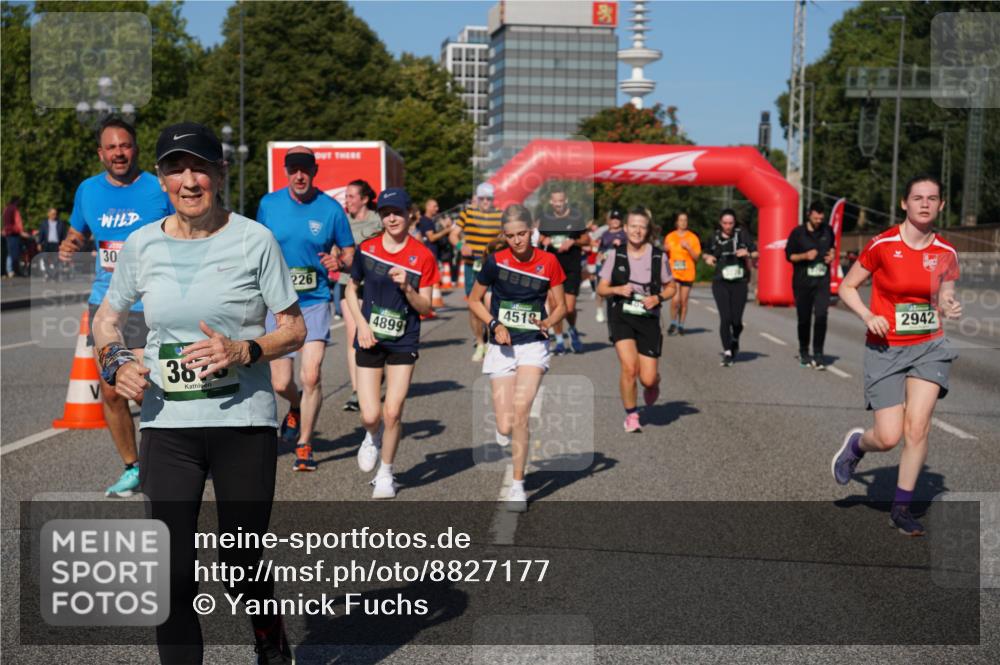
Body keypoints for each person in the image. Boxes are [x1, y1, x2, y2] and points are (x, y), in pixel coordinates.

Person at [93, 122, 305, 664]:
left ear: (219, 173)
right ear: (161, 178)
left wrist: (245, 351)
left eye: (200, 168)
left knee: (239, 566)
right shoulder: (142, 244)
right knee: (170, 573)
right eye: (175, 169)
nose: (189, 180)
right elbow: (106, 319)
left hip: (243, 425)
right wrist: (116, 361)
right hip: (167, 425)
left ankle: (267, 633)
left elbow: (293, 327)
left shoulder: (253, 238)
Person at [832, 175, 961, 537]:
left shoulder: (946, 253)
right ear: (904, 203)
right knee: (888, 437)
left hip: (929, 346)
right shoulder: (882, 244)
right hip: (886, 346)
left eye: (932, 198)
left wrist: (949, 305)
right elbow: (847, 287)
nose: (924, 204)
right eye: (917, 198)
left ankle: (901, 509)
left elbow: (945, 292)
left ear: (941, 205)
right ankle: (857, 445)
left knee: (917, 428)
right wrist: (867, 315)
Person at [59, 115, 173, 497]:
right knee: (110, 390)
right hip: (105, 303)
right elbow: (79, 230)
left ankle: (173, 455)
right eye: (111, 147)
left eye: (125, 145)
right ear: (100, 153)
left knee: (143, 386)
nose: (119, 153)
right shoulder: (88, 191)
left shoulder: (158, 189)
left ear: (135, 149)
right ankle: (133, 466)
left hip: (148, 301)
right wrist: (71, 243)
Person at [257, 146, 355, 470]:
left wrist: (338, 259)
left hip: (314, 302)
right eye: (294, 169)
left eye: (305, 169)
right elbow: (256, 246)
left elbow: (350, 253)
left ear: (314, 172)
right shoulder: (269, 205)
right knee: (280, 383)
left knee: (311, 375)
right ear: (286, 171)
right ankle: (295, 407)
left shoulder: (330, 209)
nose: (299, 175)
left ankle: (304, 444)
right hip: (278, 304)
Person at [468, 204, 566, 511]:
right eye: (510, 236)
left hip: (533, 345)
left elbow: (562, 306)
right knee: (506, 423)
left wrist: (548, 323)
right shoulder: (495, 262)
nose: (517, 241)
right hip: (502, 347)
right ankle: (504, 430)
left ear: (532, 230)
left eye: (522, 234)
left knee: (521, 412)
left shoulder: (549, 262)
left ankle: (518, 485)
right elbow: (473, 300)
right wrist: (494, 325)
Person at [347, 188, 439, 499]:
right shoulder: (368, 248)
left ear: (409, 215)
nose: (391, 218)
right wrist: (360, 325)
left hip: (404, 338)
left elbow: (426, 306)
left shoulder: (423, 255)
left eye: (397, 212)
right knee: (371, 415)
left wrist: (408, 288)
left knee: (393, 411)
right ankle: (371, 436)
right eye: (386, 213)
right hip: (369, 337)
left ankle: (386, 472)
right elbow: (350, 290)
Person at [597, 208, 676, 433]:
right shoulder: (616, 255)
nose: (637, 231)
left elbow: (672, 287)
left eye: (642, 226)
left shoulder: (659, 256)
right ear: (625, 228)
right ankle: (631, 415)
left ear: (647, 229)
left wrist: (658, 297)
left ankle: (655, 383)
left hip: (648, 318)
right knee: (629, 368)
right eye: (633, 226)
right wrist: (617, 289)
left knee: (648, 379)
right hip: (621, 316)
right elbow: (602, 288)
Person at [339, 179, 384, 411]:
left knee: (375, 331)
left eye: (351, 196)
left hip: (376, 284)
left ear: (365, 199)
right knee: (353, 333)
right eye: (345, 196)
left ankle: (377, 372)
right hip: (349, 283)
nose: (347, 201)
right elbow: (334, 248)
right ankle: (357, 391)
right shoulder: (342, 222)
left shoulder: (379, 221)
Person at [450, 183, 503, 361]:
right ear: (477, 199)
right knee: (473, 307)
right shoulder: (467, 213)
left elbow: (505, 238)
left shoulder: (499, 215)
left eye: (489, 198)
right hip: (472, 265)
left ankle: (490, 341)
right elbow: (453, 234)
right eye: (483, 199)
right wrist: (460, 245)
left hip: (492, 266)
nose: (486, 202)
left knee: (489, 304)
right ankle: (480, 343)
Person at [702, 208, 758, 367]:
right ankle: (727, 351)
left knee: (737, 321)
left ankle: (735, 339)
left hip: (739, 282)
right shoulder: (714, 237)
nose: (728, 226)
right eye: (725, 223)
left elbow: (756, 253)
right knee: (725, 318)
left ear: (734, 223)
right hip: (720, 282)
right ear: (720, 223)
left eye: (730, 223)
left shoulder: (742, 234)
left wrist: (747, 253)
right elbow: (705, 252)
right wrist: (709, 258)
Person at [537, 185, 589, 354]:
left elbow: (586, 239)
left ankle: (572, 330)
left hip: (572, 267)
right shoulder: (546, 218)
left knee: (569, 308)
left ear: (566, 200)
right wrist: (544, 241)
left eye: (561, 201)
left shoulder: (576, 217)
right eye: (555, 201)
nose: (558, 204)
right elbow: (541, 237)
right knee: (554, 305)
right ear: (551, 202)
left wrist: (573, 242)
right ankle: (559, 341)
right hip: (553, 268)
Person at [785, 201, 836, 369]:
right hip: (802, 282)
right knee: (804, 318)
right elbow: (789, 256)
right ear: (809, 215)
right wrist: (805, 256)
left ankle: (819, 353)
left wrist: (831, 256)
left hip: (822, 280)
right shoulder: (798, 233)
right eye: (816, 217)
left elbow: (832, 248)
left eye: (821, 217)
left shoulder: (827, 230)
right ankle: (804, 351)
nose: (819, 220)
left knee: (821, 316)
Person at [664, 211, 702, 336]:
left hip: (687, 272)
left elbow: (696, 258)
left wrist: (689, 247)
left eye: (685, 220)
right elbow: (664, 255)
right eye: (681, 220)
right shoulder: (670, 236)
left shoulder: (693, 238)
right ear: (677, 222)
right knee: (675, 300)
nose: (683, 222)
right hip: (674, 272)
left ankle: (681, 324)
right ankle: (673, 322)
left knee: (683, 301)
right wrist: (665, 250)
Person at [594, 208, 626, 324]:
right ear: (609, 220)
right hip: (604, 266)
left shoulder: (625, 233)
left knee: (618, 293)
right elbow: (600, 250)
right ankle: (599, 309)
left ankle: (619, 314)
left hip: (620, 267)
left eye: (618, 219)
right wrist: (601, 256)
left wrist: (621, 245)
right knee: (601, 291)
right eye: (613, 218)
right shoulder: (605, 234)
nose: (615, 221)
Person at [3, 196, 29, 278]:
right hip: (13, 233)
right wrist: (21, 232)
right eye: (19, 201)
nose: (19, 203)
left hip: (10, 233)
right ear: (16, 201)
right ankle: (11, 270)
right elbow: (14, 223)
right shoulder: (13, 209)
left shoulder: (7, 209)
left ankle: (12, 270)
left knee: (12, 252)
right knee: (13, 253)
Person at [39, 207, 68, 279]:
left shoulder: (60, 223)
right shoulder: (44, 223)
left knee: (57, 260)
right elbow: (41, 234)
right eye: (52, 214)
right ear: (48, 214)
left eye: (55, 214)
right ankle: (48, 274)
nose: (54, 215)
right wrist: (39, 243)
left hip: (56, 244)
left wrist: (64, 244)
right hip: (47, 244)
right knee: (45, 259)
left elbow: (64, 235)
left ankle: (55, 275)